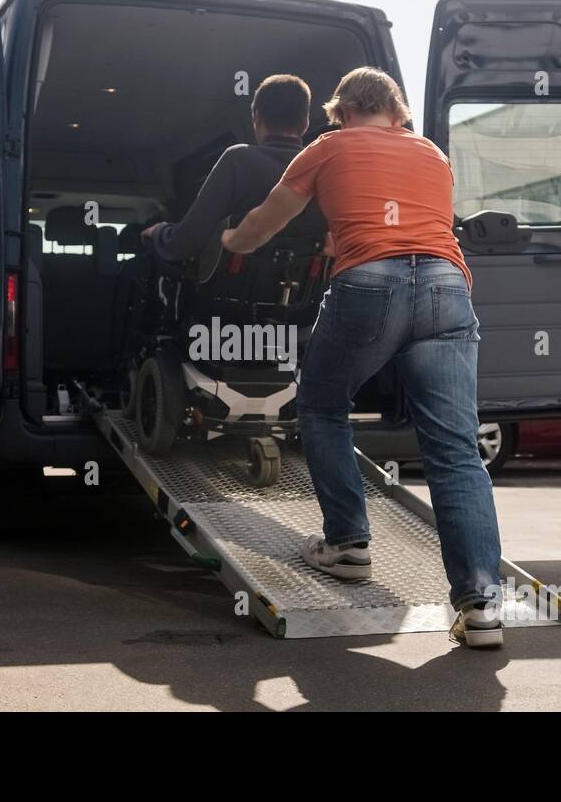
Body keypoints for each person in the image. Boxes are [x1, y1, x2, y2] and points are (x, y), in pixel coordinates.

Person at [221, 67, 505, 648]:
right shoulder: (431, 154)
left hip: (368, 287)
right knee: (455, 446)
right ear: (398, 114)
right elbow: (411, 227)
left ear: (341, 112)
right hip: (447, 289)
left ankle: (348, 544)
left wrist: (228, 242)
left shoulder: (328, 147)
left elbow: (267, 221)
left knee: (323, 404)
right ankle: (480, 606)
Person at [140, 74, 324, 261]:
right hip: (307, 289)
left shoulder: (238, 160)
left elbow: (185, 243)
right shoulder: (324, 168)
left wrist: (159, 232)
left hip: (231, 290)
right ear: (305, 122)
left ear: (256, 117)